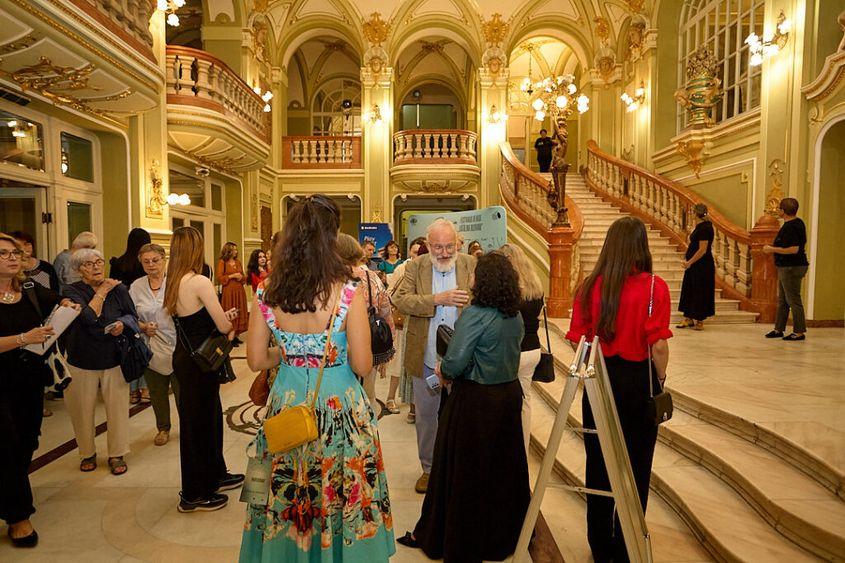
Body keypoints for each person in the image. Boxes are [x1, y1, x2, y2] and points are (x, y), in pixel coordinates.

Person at [240, 194, 394, 561]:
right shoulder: (347, 291)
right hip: (340, 408)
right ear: (332, 238)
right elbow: (362, 364)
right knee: (340, 490)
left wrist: (291, 353)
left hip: (288, 405)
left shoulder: (267, 290)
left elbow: (257, 359)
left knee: (290, 487)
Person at [397, 252, 529, 562]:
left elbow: (455, 362)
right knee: (501, 470)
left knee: (465, 473)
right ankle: (498, 539)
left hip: (476, 402)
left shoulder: (475, 314)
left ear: (484, 281)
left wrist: (443, 370)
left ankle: (458, 539)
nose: (469, 277)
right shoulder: (515, 314)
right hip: (508, 397)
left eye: (474, 274)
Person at [565, 216, 672, 563]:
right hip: (638, 382)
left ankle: (599, 543)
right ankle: (627, 544)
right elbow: (658, 346)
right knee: (636, 467)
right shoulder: (655, 287)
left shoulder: (588, 286)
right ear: (641, 246)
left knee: (598, 463)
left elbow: (578, 340)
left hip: (599, 379)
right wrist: (661, 379)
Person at [0, 233, 79, 548]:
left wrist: (65, 304)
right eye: (3, 253)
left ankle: (9, 494)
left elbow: (57, 299)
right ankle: (19, 516)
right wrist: (25, 338)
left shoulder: (30, 288)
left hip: (29, 379)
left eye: (14, 252)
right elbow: (26, 337)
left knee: (26, 441)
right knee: (6, 443)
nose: (12, 257)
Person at [394, 218, 476, 494]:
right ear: (428, 245)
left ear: (458, 243)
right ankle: (428, 469)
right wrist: (436, 300)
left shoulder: (470, 264)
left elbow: (482, 300)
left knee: (463, 417)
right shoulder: (415, 266)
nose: (444, 252)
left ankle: (459, 469)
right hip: (426, 354)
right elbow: (400, 299)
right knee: (426, 417)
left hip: (462, 358)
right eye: (438, 247)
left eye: (449, 246)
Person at [164, 226, 243, 513]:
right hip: (201, 363)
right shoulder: (199, 281)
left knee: (204, 419)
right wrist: (229, 323)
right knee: (199, 424)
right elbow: (223, 326)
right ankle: (194, 493)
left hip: (186, 359)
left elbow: (194, 321)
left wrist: (222, 318)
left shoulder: (173, 282)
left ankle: (215, 474)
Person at [64, 248, 140, 476]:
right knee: (81, 411)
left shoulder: (119, 289)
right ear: (79, 270)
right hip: (81, 359)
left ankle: (117, 454)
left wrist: (122, 324)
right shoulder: (71, 290)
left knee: (117, 410)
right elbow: (88, 317)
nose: (97, 267)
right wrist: (104, 290)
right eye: (89, 264)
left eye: (99, 262)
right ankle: (87, 453)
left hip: (114, 357)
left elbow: (132, 315)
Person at [336, 234, 395, 409]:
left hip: (335, 346)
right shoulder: (372, 277)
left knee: (339, 399)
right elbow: (385, 311)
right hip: (368, 342)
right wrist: (389, 343)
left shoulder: (327, 279)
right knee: (368, 396)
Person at [129, 243, 178, 447]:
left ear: (164, 260)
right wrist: (142, 327)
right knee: (157, 392)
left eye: (155, 260)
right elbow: (129, 315)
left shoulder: (175, 282)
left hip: (178, 346)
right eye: (146, 262)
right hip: (150, 347)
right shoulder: (137, 286)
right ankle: (163, 428)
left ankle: (190, 427)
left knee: (183, 392)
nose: (151, 265)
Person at [499, 243, 545, 454]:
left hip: (512, 351)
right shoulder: (536, 287)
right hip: (533, 349)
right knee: (525, 401)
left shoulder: (509, 289)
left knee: (504, 403)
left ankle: (507, 452)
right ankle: (523, 452)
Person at [109, 228, 152, 403]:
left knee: (131, 348)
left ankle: (133, 392)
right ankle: (145, 388)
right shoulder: (143, 264)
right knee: (144, 348)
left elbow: (113, 288)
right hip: (142, 308)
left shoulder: (118, 263)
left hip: (124, 310)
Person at [389, 238, 426, 422]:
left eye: (420, 252)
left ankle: (417, 407)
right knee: (403, 363)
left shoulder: (432, 270)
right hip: (405, 323)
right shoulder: (403, 269)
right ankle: (393, 399)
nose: (417, 256)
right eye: (415, 252)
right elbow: (392, 294)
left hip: (425, 326)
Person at [763, 197, 809, 341]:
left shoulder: (791, 227)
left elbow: (794, 249)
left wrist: (772, 249)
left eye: (779, 209)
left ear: (783, 211)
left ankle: (799, 331)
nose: (778, 211)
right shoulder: (797, 223)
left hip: (791, 267)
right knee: (783, 299)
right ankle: (778, 329)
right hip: (788, 266)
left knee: (793, 299)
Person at [677, 203, 715, 330]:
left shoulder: (705, 228)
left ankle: (700, 320)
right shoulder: (700, 227)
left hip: (701, 265)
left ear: (695, 213)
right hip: (695, 265)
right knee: (689, 289)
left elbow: (702, 250)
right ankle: (688, 318)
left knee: (700, 291)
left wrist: (689, 262)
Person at [216, 242, 249, 343]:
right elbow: (220, 277)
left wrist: (241, 277)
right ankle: (230, 336)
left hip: (239, 291)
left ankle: (236, 335)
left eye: (236, 249)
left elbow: (244, 277)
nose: (236, 251)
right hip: (229, 292)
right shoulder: (222, 262)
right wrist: (232, 276)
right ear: (228, 251)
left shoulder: (238, 262)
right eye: (234, 249)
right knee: (230, 310)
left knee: (239, 310)